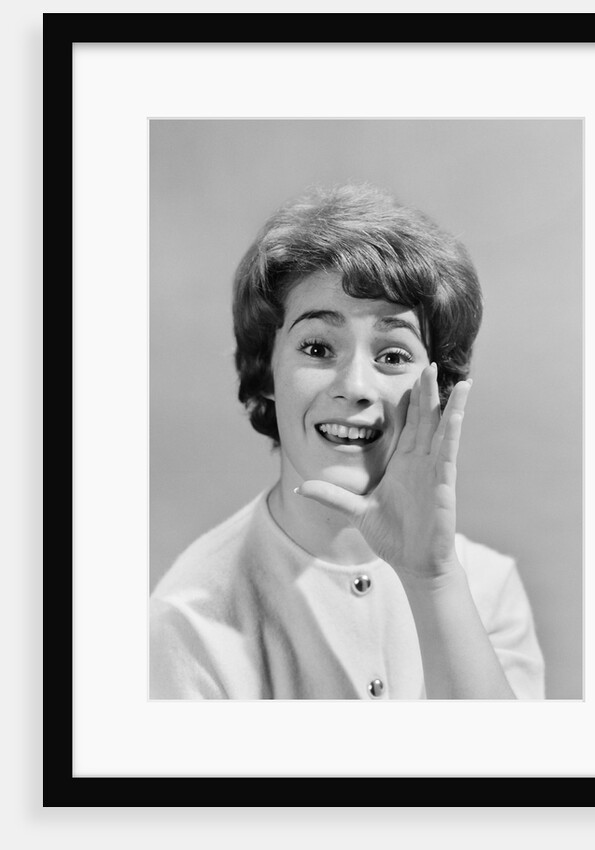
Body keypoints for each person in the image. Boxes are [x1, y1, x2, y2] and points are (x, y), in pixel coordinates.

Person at [149, 183, 545, 700]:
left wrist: (432, 580)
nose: (356, 387)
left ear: (438, 384)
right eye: (317, 347)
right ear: (266, 371)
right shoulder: (187, 623)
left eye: (394, 356)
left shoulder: (486, 586)